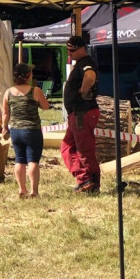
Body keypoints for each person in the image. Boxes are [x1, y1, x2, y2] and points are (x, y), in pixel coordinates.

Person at [1, 62, 50, 199]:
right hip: (32, 130)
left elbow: (5, 113)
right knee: (33, 160)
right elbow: (45, 106)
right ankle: (34, 191)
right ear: (28, 75)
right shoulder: (35, 91)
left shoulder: (8, 92)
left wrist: (4, 127)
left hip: (15, 130)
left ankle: (22, 189)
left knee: (19, 160)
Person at [61, 34, 100, 193]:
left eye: (72, 50)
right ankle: (84, 179)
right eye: (67, 50)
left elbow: (90, 76)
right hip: (78, 114)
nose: (69, 53)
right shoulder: (81, 63)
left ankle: (90, 182)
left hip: (82, 113)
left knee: (84, 150)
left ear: (82, 48)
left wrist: (81, 91)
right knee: (67, 147)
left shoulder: (86, 63)